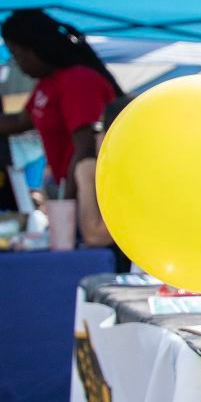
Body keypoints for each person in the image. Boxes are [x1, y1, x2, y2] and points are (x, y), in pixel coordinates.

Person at [0, 9, 121, 198]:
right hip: (70, 193)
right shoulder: (48, 83)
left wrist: (68, 204)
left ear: (36, 48)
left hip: (88, 196)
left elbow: (85, 150)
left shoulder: (78, 80)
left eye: (16, 54)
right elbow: (19, 121)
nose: (17, 63)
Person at [72, 96, 133, 272]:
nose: (97, 136)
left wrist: (85, 178)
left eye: (99, 129)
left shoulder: (144, 175)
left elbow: (96, 235)